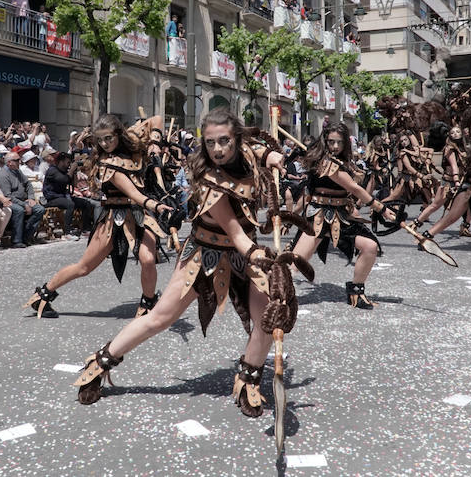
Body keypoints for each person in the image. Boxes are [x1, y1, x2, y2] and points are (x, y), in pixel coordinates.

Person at [70, 108, 296, 416]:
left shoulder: (243, 150)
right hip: (206, 253)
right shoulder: (208, 180)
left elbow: (253, 148)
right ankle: (100, 363)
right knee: (160, 318)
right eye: (211, 142)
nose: (218, 149)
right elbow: (236, 233)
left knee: (267, 322)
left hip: (241, 256)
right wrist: (260, 255)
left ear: (236, 139)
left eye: (224, 141)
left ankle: (249, 379)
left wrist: (270, 155)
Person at [25, 115, 173, 319]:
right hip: (114, 217)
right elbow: (134, 194)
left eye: (108, 138)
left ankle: (148, 303)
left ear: (119, 135)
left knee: (148, 259)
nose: (105, 144)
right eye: (100, 140)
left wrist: (155, 142)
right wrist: (157, 206)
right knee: (84, 267)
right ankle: (42, 295)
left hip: (137, 215)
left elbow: (156, 119)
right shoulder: (106, 163)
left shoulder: (131, 142)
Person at [291, 123, 396, 309]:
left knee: (370, 246)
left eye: (339, 142)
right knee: (296, 262)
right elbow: (352, 188)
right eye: (331, 142)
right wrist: (381, 208)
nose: (335, 146)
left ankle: (356, 291)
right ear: (325, 141)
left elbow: (350, 191)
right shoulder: (325, 162)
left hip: (342, 215)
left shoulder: (345, 161)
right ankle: (274, 293)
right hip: (319, 216)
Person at [0, 151, 45, 248]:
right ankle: (16, 240)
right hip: (10, 202)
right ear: (9, 162)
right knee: (19, 210)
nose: (20, 162)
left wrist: (30, 198)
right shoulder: (3, 175)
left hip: (23, 200)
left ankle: (26, 236)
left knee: (40, 209)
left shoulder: (18, 171)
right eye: (17, 160)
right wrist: (24, 205)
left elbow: (28, 184)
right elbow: (8, 195)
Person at [43, 152, 96, 239]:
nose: (69, 165)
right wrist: (72, 169)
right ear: (61, 162)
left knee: (86, 203)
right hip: (52, 197)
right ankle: (67, 232)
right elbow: (64, 180)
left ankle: (85, 229)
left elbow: (74, 185)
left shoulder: (65, 171)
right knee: (70, 204)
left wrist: (75, 172)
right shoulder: (52, 170)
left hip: (63, 196)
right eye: (67, 162)